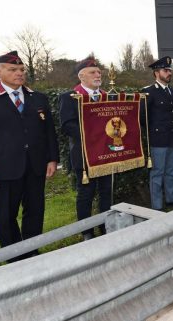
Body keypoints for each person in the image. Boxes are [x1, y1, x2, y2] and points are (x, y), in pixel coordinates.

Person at [0, 51, 59, 261]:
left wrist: (52, 158)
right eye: (13, 69)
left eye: (22, 70)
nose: (19, 73)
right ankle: (14, 257)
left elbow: (49, 132)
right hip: (3, 169)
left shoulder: (38, 98)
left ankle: (32, 250)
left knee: (35, 210)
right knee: (7, 216)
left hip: (35, 165)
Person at [58, 55, 110, 240]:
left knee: (106, 192)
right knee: (86, 194)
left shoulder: (107, 96)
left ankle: (105, 226)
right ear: (82, 77)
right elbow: (67, 125)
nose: (98, 75)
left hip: (106, 154)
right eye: (93, 72)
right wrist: (95, 132)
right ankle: (87, 231)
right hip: (84, 154)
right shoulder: (70, 97)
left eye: (98, 72)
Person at [142, 56, 173, 210]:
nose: (169, 73)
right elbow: (142, 118)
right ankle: (157, 205)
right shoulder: (148, 92)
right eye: (165, 70)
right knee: (157, 173)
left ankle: (172, 198)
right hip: (158, 140)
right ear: (156, 73)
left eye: (170, 70)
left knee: (172, 171)